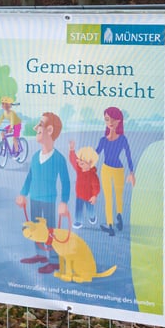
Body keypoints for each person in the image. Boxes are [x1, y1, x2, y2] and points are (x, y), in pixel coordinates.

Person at [16, 112, 71, 274]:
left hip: (48, 200)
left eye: (40, 125)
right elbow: (30, 177)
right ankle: (40, 254)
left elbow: (66, 182)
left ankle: (54, 260)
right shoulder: (35, 157)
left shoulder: (59, 158)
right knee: (35, 228)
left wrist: (63, 202)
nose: (36, 128)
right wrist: (22, 194)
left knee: (50, 230)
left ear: (50, 130)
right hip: (34, 199)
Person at [95, 106, 135, 236]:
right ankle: (115, 220)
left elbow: (128, 155)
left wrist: (132, 173)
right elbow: (96, 155)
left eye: (113, 119)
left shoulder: (115, 139)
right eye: (107, 119)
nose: (110, 123)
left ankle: (114, 221)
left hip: (113, 169)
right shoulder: (110, 139)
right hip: (112, 169)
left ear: (119, 121)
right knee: (113, 197)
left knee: (113, 197)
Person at [68, 141, 100, 228]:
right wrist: (71, 150)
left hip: (89, 197)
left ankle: (92, 216)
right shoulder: (79, 169)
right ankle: (78, 221)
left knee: (90, 209)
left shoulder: (93, 175)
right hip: (79, 195)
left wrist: (94, 196)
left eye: (82, 161)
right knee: (78, 209)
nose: (79, 162)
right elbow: (72, 160)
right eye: (79, 160)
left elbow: (96, 186)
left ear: (90, 163)